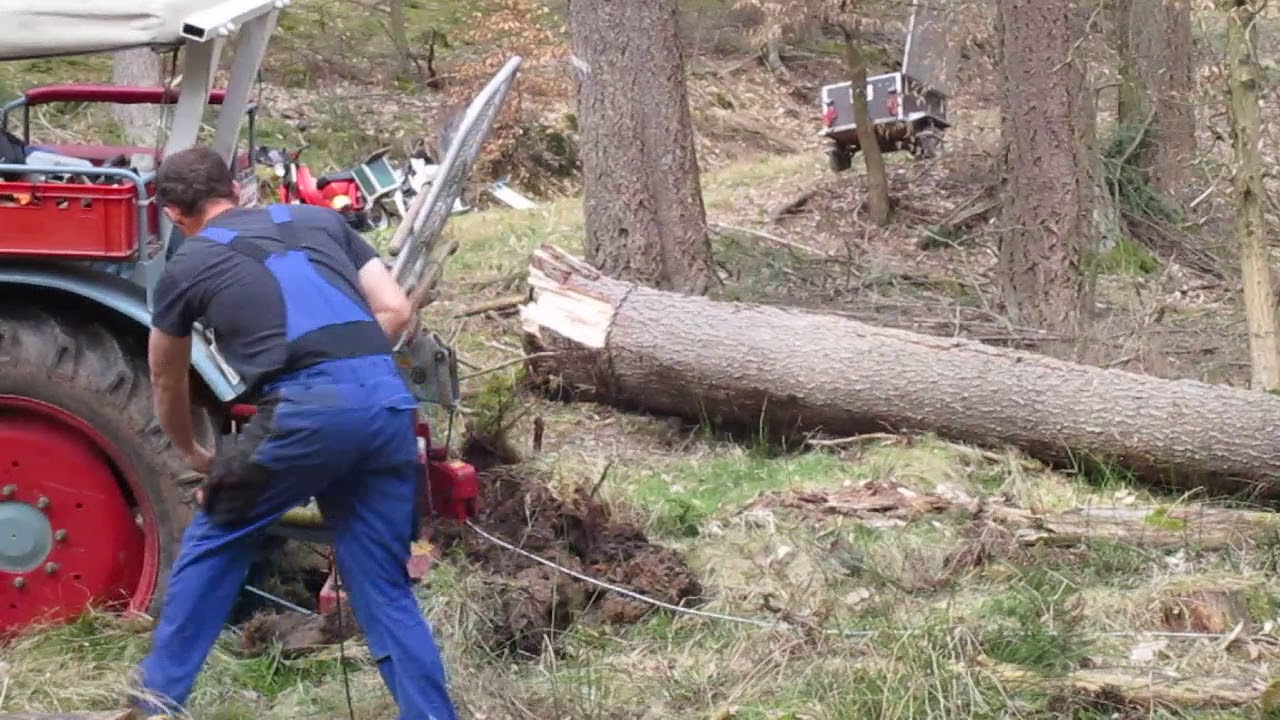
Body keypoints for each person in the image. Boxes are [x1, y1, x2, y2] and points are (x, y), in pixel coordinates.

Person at [130, 145, 458, 720]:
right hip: (385, 405)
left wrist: (195, 452)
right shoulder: (322, 219)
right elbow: (397, 311)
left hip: (306, 410)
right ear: (234, 189)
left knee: (213, 541)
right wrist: (350, 374)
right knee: (383, 587)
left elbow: (165, 374)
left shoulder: (187, 266)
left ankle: (155, 705)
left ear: (176, 214)